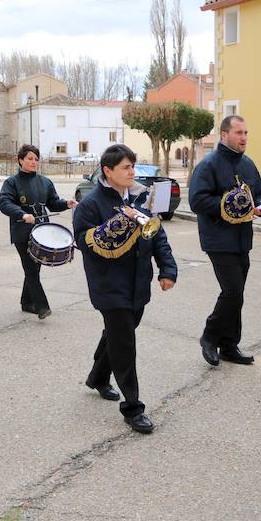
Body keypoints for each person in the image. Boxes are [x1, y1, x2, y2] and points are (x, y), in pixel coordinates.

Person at [74, 144, 177, 434]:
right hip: (109, 286)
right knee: (124, 343)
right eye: (126, 167)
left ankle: (97, 376)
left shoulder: (140, 200)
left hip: (138, 284)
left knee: (120, 333)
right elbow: (84, 242)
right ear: (108, 171)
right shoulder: (90, 204)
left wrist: (168, 269)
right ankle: (133, 408)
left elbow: (158, 236)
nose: (132, 171)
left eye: (133, 166)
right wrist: (116, 226)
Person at [190, 115, 261, 367]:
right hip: (218, 238)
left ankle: (230, 345)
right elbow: (197, 201)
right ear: (224, 135)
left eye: (246, 133)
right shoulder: (208, 165)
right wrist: (232, 203)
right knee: (232, 290)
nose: (244, 137)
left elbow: (259, 193)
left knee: (238, 293)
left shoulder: (248, 164)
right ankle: (209, 336)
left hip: (242, 238)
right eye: (238, 133)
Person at [0, 144, 77, 319]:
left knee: (34, 269)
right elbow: (4, 203)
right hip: (21, 232)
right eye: (29, 159)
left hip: (42, 233)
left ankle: (26, 302)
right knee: (31, 269)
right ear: (20, 160)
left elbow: (53, 203)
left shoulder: (45, 182)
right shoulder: (11, 182)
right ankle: (42, 306)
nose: (33, 162)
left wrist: (66, 204)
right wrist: (22, 213)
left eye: (36, 159)